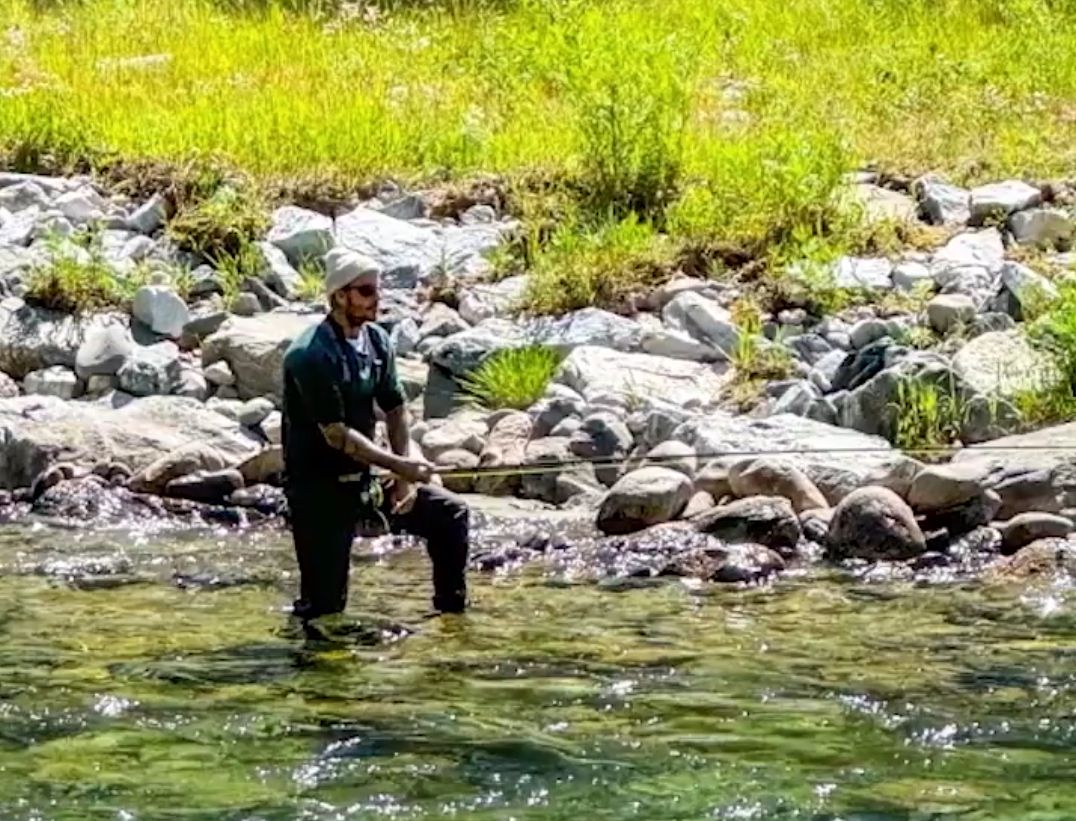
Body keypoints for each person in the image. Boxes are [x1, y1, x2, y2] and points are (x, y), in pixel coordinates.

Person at [281, 247, 470, 621]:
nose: (376, 300)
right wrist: (398, 464)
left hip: (368, 479)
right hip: (319, 490)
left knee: (450, 514)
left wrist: (405, 474)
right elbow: (338, 435)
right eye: (366, 291)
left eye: (377, 291)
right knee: (324, 608)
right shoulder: (309, 356)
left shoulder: (378, 343)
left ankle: (451, 618)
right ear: (339, 296)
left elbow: (396, 410)